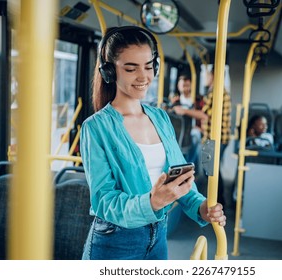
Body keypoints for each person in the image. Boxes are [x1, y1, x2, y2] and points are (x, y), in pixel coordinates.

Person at [80, 26, 226, 260]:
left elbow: (179, 178)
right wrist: (151, 202)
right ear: (110, 72)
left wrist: (201, 207)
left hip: (159, 235)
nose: (143, 77)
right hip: (115, 240)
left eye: (149, 67)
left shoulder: (160, 117)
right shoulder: (96, 128)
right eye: (131, 68)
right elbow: (104, 200)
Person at [201, 66, 231, 206]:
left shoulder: (216, 92)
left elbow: (205, 115)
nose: (205, 77)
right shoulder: (218, 91)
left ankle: (216, 201)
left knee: (210, 170)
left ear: (213, 75)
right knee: (212, 169)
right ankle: (220, 199)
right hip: (217, 137)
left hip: (215, 138)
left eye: (207, 74)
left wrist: (183, 111)